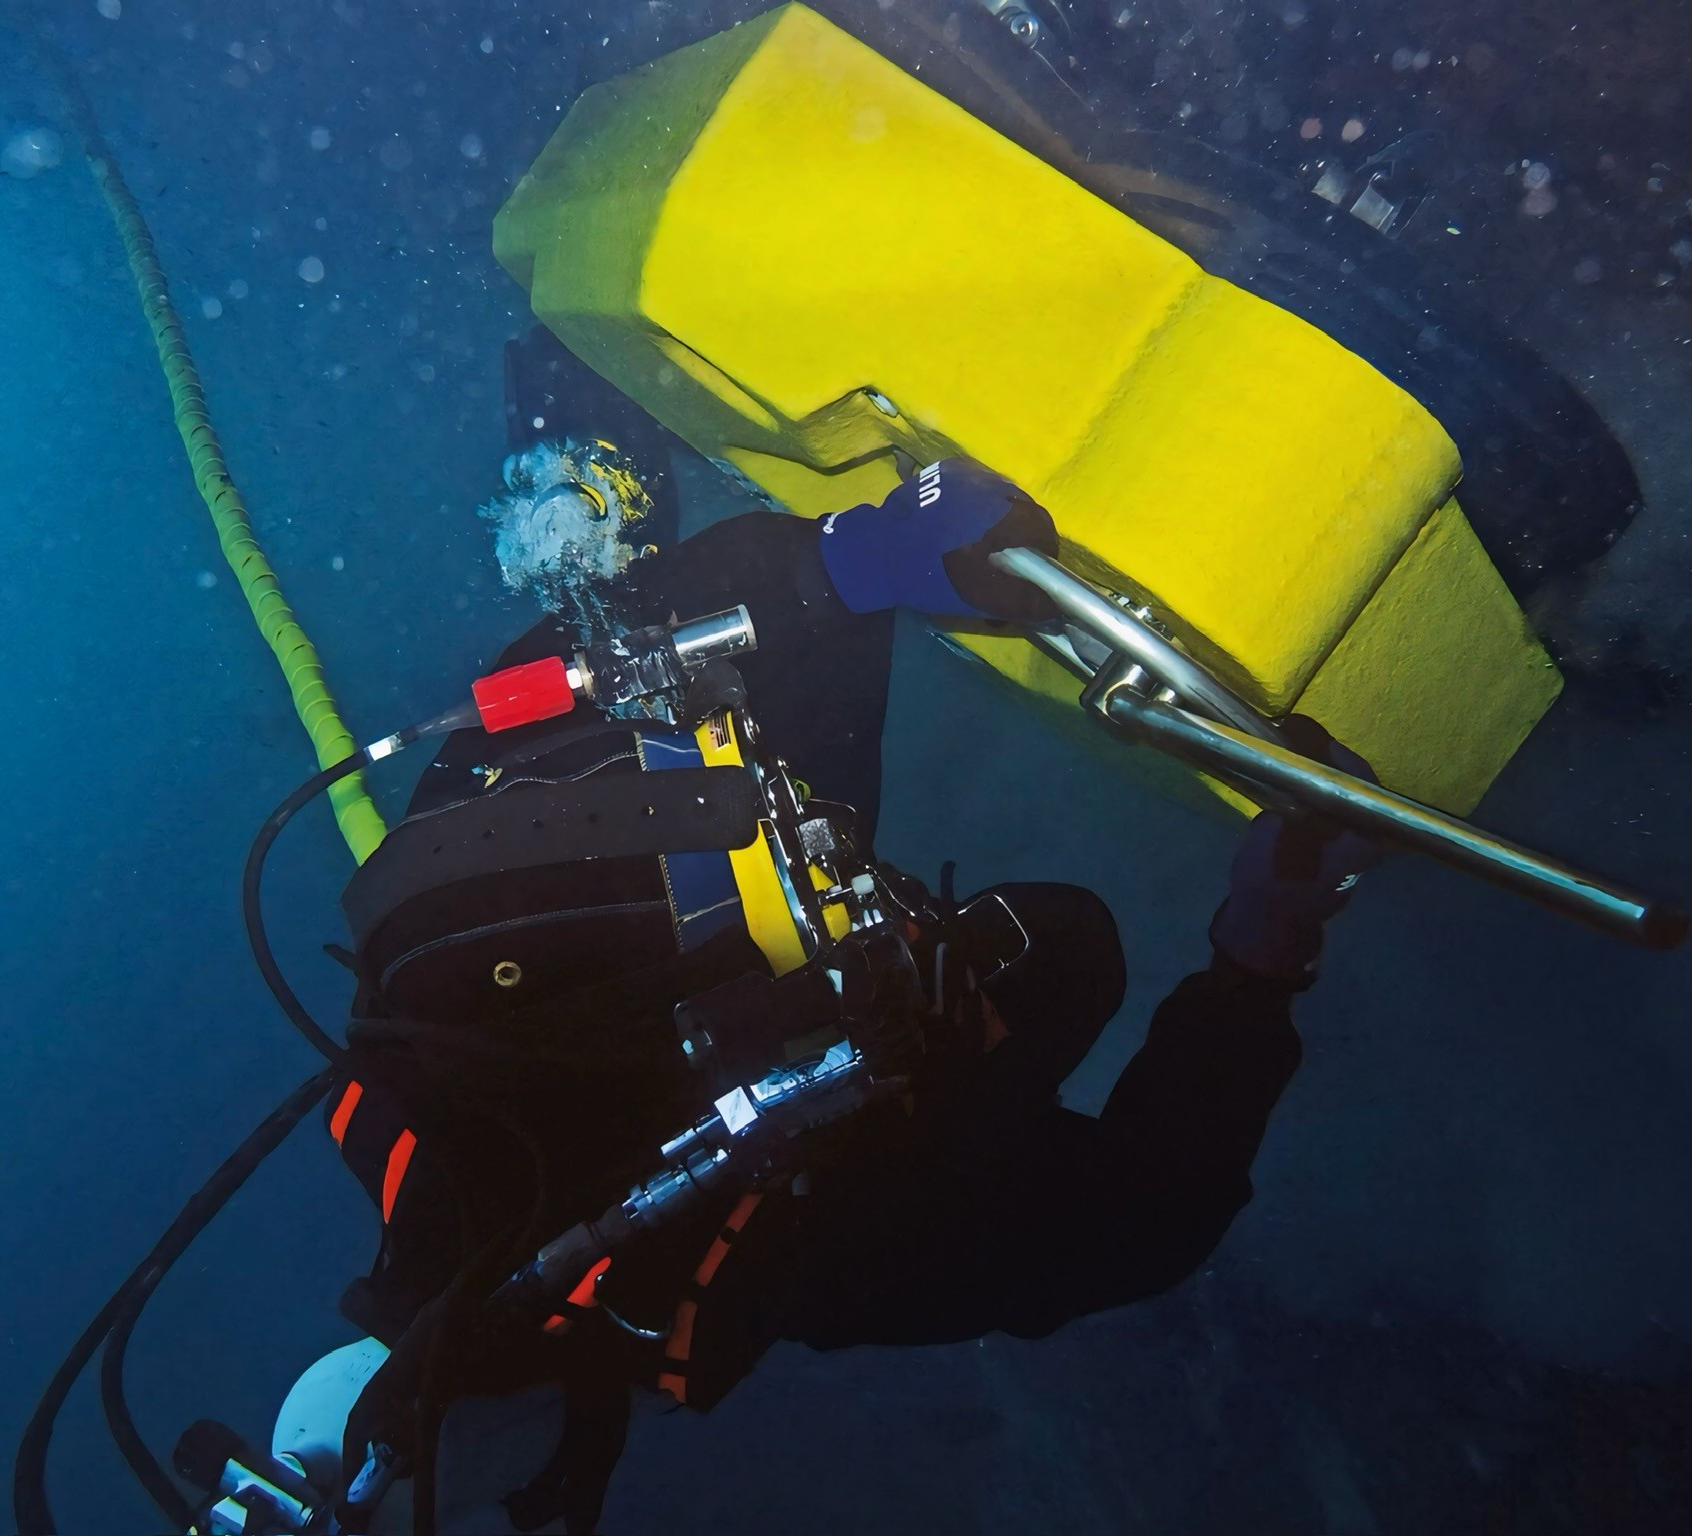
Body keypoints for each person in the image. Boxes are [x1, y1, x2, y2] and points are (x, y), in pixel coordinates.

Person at [317, 454, 1376, 1535]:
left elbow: (1146, 1220)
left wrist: (1264, 950)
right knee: (1055, 946)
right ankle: (599, 484)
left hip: (762, 855)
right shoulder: (389, 1096)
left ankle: (613, 493)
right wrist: (835, 568)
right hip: (741, 788)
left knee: (1059, 956)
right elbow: (503, 760)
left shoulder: (749, 1276)